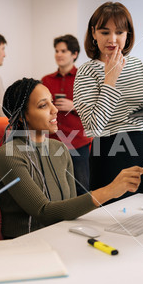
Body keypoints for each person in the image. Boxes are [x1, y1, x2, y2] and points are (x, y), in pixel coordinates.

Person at [0, 78, 143, 239]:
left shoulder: (59, 148)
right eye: (43, 105)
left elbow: (72, 208)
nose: (55, 110)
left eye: (52, 102)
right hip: (27, 245)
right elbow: (43, 211)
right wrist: (110, 190)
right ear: (22, 116)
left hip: (62, 237)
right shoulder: (9, 155)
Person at [73, 2, 143, 204]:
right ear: (93, 33)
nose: (112, 39)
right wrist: (110, 79)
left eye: (119, 32)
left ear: (128, 34)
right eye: (104, 32)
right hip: (110, 150)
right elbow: (94, 128)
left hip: (141, 146)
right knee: (113, 221)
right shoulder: (86, 72)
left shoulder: (136, 65)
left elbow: (140, 113)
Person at [41, 34, 92, 196]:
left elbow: (95, 109)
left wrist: (74, 105)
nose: (59, 54)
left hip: (78, 143)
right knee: (54, 189)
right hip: (52, 143)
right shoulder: (46, 80)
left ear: (74, 54)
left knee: (82, 189)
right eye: (57, 51)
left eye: (63, 51)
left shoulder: (85, 79)